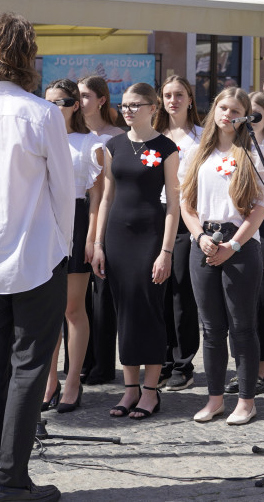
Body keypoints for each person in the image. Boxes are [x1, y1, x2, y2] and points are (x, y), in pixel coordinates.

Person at [0, 13, 74, 502]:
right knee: (28, 365)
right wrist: (61, 247)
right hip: (35, 253)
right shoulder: (40, 113)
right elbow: (64, 192)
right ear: (26, 56)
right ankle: (8, 477)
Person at [181, 87, 264, 426]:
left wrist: (232, 245)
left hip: (240, 247)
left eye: (235, 110)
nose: (227, 115)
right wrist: (200, 236)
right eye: (222, 107)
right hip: (203, 243)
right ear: (214, 111)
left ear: (244, 115)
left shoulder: (254, 153)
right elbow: (185, 203)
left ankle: (246, 401)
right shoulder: (198, 153)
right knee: (211, 328)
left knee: (242, 327)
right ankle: (215, 399)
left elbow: (262, 206)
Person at [93, 83, 179, 420]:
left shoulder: (166, 147)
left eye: (135, 104)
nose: (127, 110)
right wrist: (98, 244)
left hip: (151, 237)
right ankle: (129, 389)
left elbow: (174, 204)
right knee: (124, 310)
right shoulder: (113, 145)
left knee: (149, 311)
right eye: (124, 105)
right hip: (117, 238)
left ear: (152, 106)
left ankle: (150, 391)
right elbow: (106, 197)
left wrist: (166, 251)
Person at [41, 79, 104, 414]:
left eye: (63, 102)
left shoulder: (87, 143)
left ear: (76, 105)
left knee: (72, 309)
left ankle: (73, 381)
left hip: (77, 222)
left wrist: (93, 239)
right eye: (49, 102)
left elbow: (97, 198)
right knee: (47, 311)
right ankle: (48, 381)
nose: (56, 108)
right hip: (44, 221)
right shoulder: (37, 138)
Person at [223, 91, 264, 397]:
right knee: (238, 305)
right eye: (246, 114)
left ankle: (261, 372)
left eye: (256, 115)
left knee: (263, 302)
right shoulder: (235, 148)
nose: (249, 120)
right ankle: (241, 368)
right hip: (240, 225)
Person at [154, 75, 204, 392]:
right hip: (155, 216)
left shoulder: (200, 137)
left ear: (190, 99)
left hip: (188, 216)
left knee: (181, 292)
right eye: (168, 95)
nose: (173, 100)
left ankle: (183, 364)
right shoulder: (154, 136)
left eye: (179, 94)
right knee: (158, 290)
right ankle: (162, 360)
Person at [76, 75, 123, 385]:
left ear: (101, 100)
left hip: (111, 216)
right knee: (76, 297)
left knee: (102, 294)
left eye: (85, 95)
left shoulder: (116, 136)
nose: (79, 102)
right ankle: (80, 360)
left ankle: (103, 364)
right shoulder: (69, 134)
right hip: (77, 217)